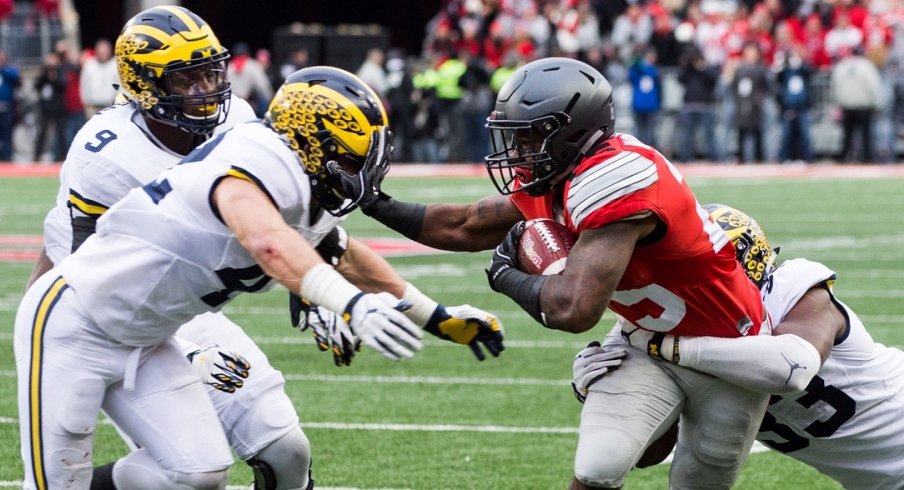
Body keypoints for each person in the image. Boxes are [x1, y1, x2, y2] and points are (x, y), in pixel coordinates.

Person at [21, 7, 503, 489]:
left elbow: (338, 249)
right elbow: (268, 241)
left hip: (157, 322)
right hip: (81, 320)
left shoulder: (249, 135)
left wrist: (432, 315)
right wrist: (348, 303)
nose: (204, 91)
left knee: (201, 474)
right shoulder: (135, 155)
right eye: (186, 80)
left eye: (210, 73)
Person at [356, 57, 789, 489]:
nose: (519, 151)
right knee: (599, 466)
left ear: (570, 134)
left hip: (731, 349)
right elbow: (466, 223)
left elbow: (574, 309)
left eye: (528, 137)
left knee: (697, 481)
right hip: (646, 339)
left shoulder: (616, 176)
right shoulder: (558, 176)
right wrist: (374, 202)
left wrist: (505, 275)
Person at [573, 203, 904, 488]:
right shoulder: (675, 332)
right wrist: (603, 387)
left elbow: (791, 369)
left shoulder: (795, 292)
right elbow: (649, 455)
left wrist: (666, 348)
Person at [78, 38, 119, 118]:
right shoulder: (90, 64)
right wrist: (86, 103)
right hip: (93, 106)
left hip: (111, 106)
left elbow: (119, 85)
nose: (103, 53)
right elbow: (84, 84)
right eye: (101, 51)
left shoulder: (115, 64)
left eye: (105, 51)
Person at [0, 49, 20, 162]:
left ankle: (7, 157)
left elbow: (16, 76)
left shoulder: (8, 69)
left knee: (7, 134)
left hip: (6, 107)